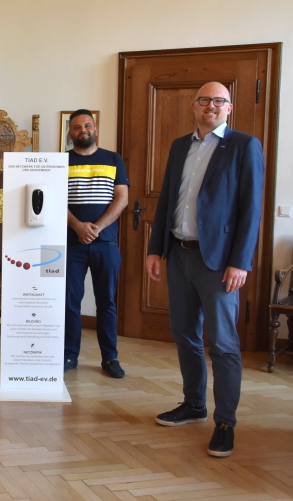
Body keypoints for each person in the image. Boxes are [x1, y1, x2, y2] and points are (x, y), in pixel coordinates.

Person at [146, 82, 264, 458]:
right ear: (194, 106)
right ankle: (193, 404)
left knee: (225, 345)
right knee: (184, 334)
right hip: (179, 255)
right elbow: (168, 198)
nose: (210, 105)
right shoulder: (181, 145)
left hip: (219, 263)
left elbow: (251, 209)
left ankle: (225, 422)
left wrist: (241, 262)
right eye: (204, 100)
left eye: (219, 100)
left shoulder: (245, 146)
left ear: (229, 107)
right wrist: (155, 249)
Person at [64, 109, 129, 378]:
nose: (83, 131)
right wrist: (78, 226)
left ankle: (110, 358)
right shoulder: (61, 161)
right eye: (77, 127)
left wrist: (96, 228)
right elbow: (54, 199)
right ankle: (69, 354)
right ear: (70, 132)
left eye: (88, 125)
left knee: (107, 303)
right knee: (69, 302)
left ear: (96, 128)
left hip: (107, 244)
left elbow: (122, 199)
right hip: (71, 243)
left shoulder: (113, 159)